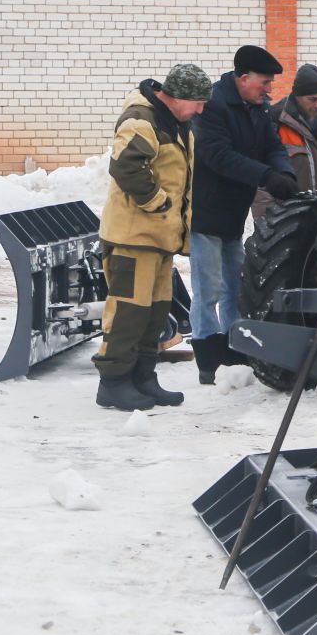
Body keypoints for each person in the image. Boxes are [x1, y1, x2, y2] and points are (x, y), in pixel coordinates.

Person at [92, 63, 210, 411]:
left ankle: (144, 378)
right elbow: (126, 167)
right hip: (134, 236)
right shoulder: (142, 120)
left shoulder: (176, 123)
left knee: (154, 312)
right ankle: (113, 383)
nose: (201, 110)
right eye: (197, 102)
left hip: (160, 238)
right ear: (176, 97)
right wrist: (158, 203)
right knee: (128, 312)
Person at [190, 44, 299, 383]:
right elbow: (218, 156)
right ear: (243, 78)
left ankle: (234, 349)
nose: (269, 90)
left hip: (233, 214)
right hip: (205, 212)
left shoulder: (256, 109)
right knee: (208, 288)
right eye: (264, 83)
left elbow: (272, 147)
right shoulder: (212, 106)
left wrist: (285, 175)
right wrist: (266, 177)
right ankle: (208, 357)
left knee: (236, 286)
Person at [251, 63, 317, 224]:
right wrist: (267, 223)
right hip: (287, 222)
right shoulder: (275, 124)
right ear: (297, 96)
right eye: (312, 99)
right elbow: (261, 184)